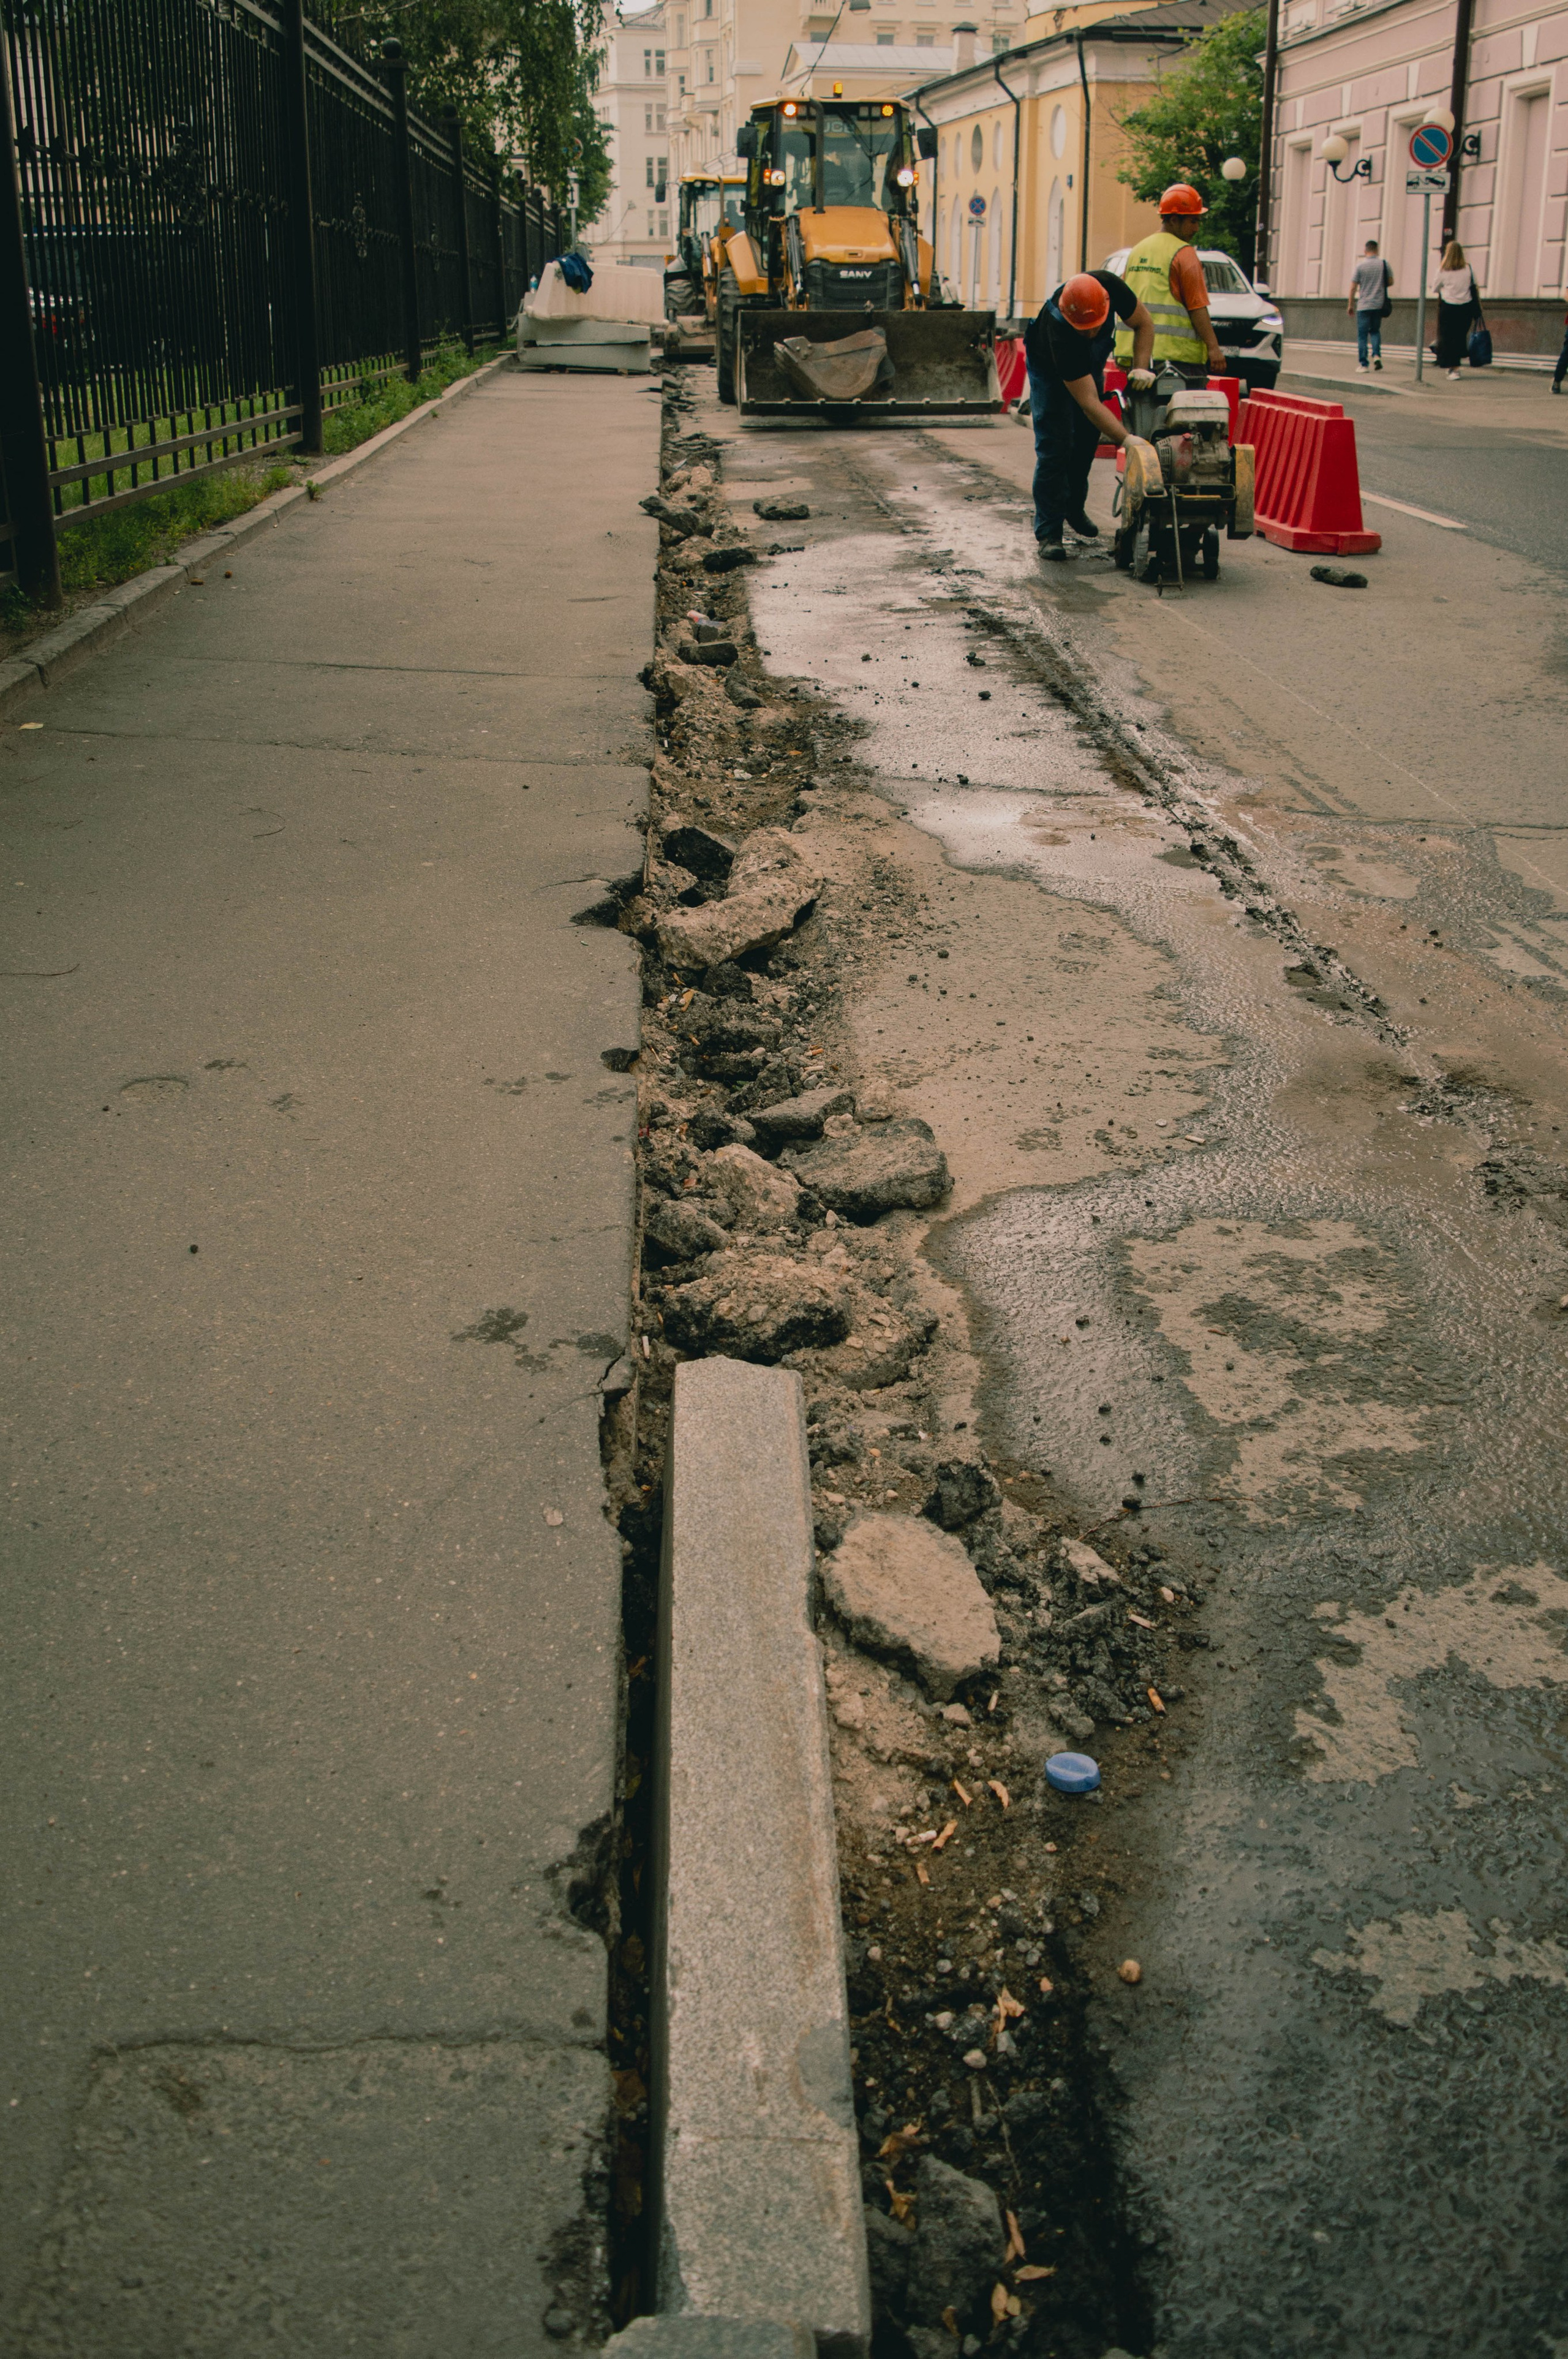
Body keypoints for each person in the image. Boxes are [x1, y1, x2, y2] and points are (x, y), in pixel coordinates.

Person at [1024, 269, 1153, 561]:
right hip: (1049, 369)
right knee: (1055, 445)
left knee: (1086, 439)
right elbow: (1089, 403)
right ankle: (1049, 533)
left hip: (1086, 365)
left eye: (1095, 327)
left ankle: (1073, 507)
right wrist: (1126, 440)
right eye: (1084, 329)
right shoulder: (1061, 333)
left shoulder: (1109, 288)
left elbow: (1144, 323)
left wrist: (1142, 366)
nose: (1092, 333)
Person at [1112, 183, 1227, 389]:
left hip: (1135, 360)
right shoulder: (1184, 253)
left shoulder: (1138, 251)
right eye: (1193, 221)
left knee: (1142, 417)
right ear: (1174, 220)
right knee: (1183, 418)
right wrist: (1214, 349)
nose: (1196, 228)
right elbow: (1197, 307)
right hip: (1178, 361)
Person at [1434, 240, 1479, 379]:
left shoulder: (1442, 271)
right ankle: (1454, 367)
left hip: (1448, 307)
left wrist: (1446, 289)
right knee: (1459, 337)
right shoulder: (1468, 269)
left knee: (1448, 338)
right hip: (1466, 308)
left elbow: (1435, 288)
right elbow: (1475, 285)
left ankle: (1454, 369)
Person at [1348, 239, 1391, 371]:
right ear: (1377, 250)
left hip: (1364, 305)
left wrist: (1350, 305)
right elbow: (1391, 281)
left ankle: (1364, 364)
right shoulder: (1384, 264)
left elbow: (1353, 288)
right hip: (1378, 305)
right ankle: (1377, 356)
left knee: (1362, 335)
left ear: (1365, 251)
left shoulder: (1360, 266)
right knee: (1375, 331)